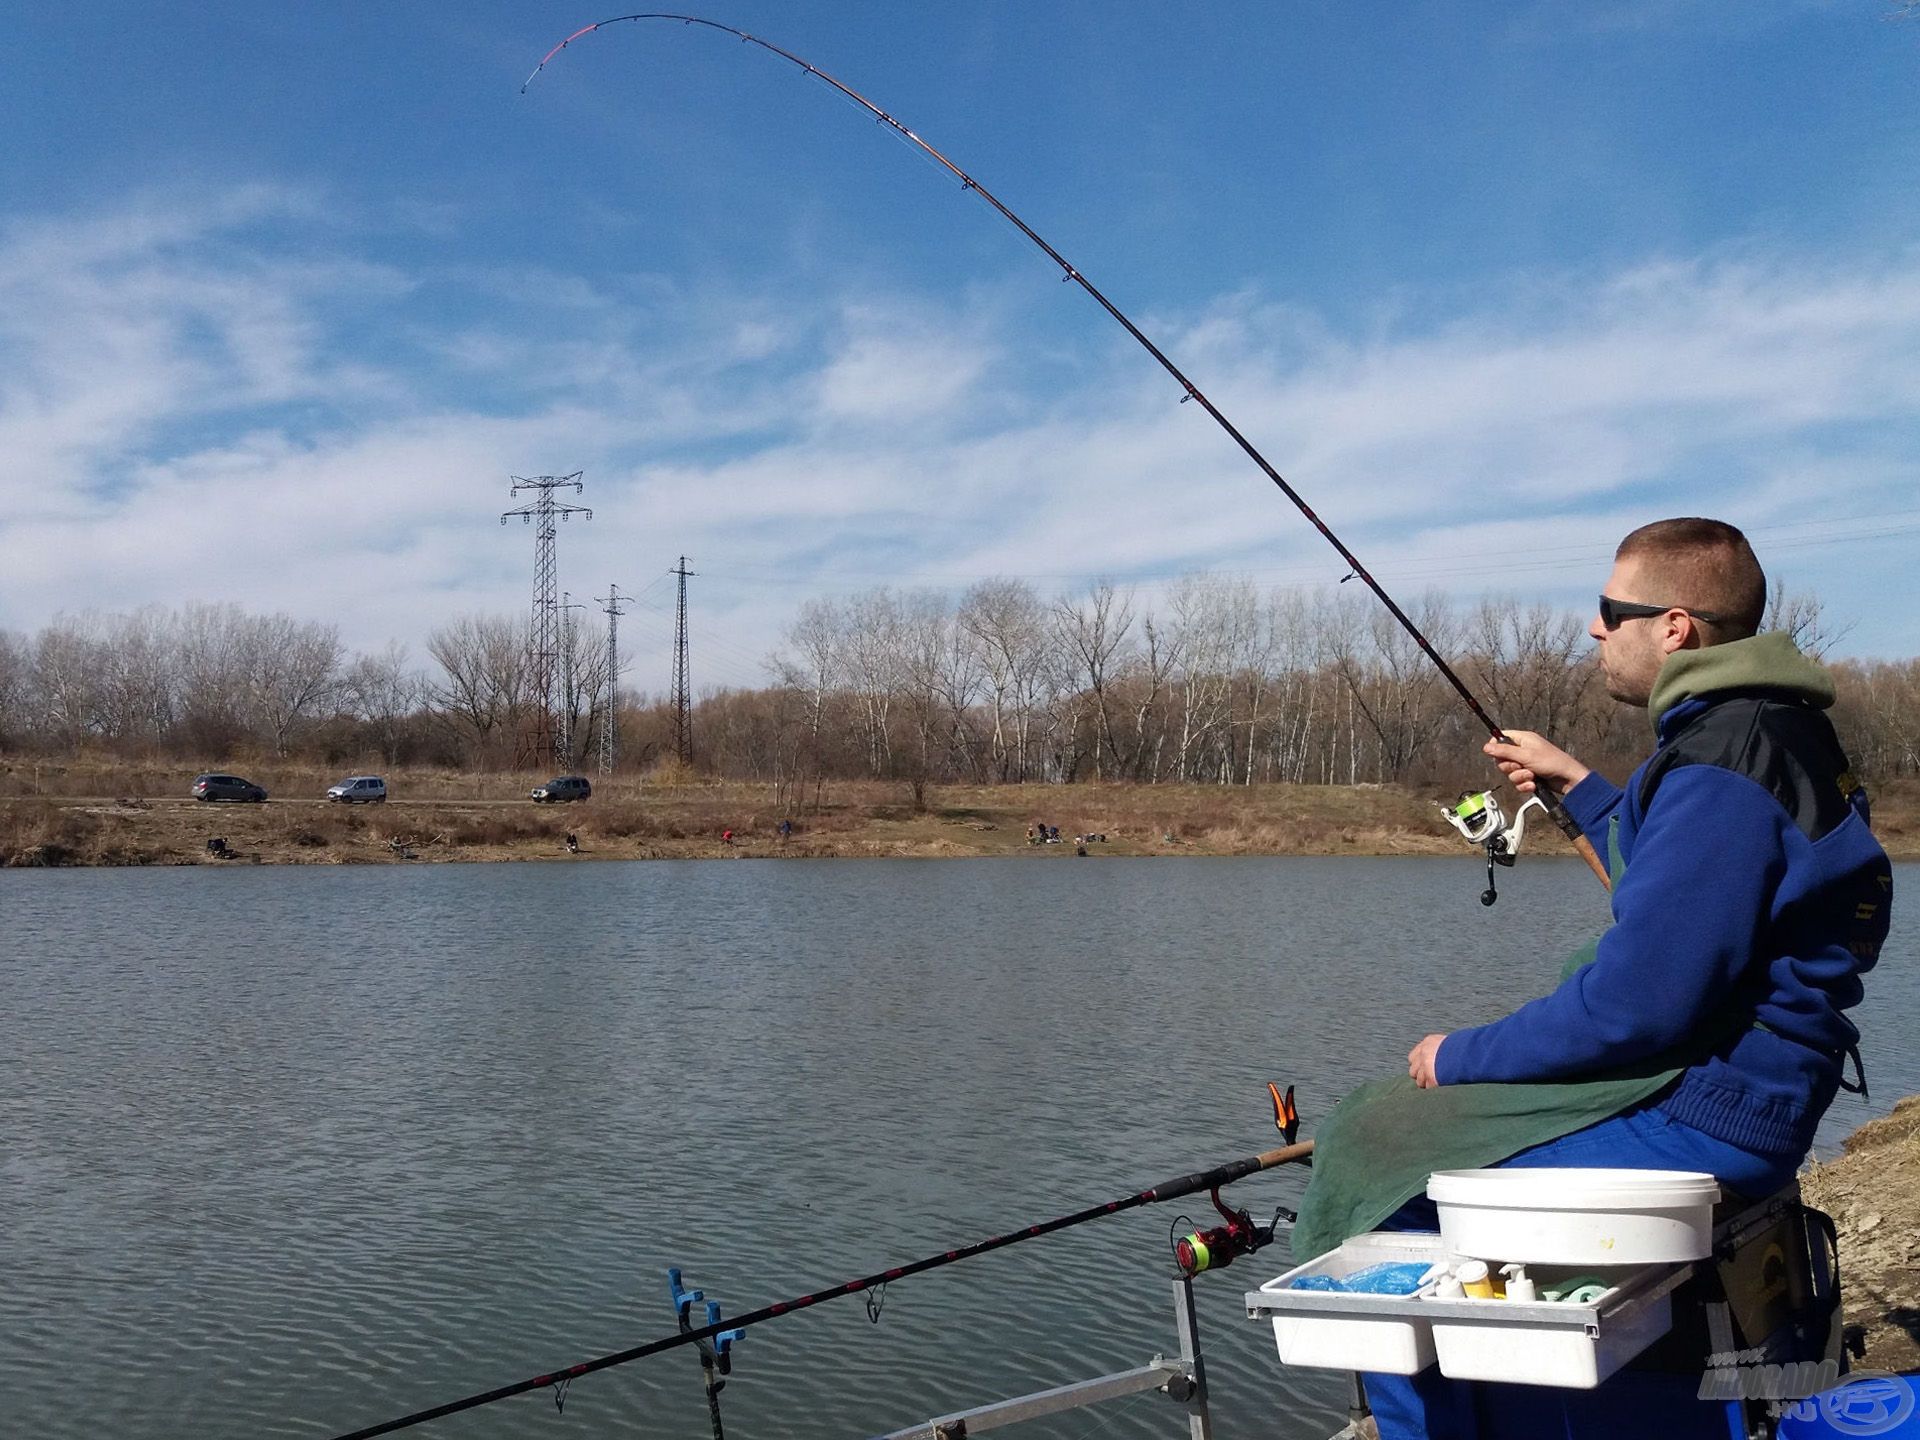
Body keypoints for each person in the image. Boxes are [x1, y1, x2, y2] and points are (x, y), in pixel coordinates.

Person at [1351, 518, 1892, 1440]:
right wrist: (1578, 784)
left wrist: (1460, 1055)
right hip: (1756, 1090)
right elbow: (1687, 883)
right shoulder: (1766, 730)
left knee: (1379, 1163)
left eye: (1610, 611)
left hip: (1706, 1112)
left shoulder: (1724, 762)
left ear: (1675, 626)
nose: (1595, 629)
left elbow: (1635, 1007)